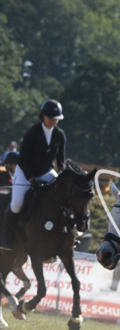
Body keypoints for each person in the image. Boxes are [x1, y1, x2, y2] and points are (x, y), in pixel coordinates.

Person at [1, 99, 66, 251]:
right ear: (43, 115)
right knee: (16, 205)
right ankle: (6, 236)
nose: (53, 121)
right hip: (25, 172)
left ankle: (65, 233)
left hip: (45, 171)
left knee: (63, 195)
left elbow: (61, 160)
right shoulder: (33, 132)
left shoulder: (60, 135)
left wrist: (61, 176)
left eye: (56, 118)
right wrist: (31, 179)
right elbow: (22, 160)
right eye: (50, 117)